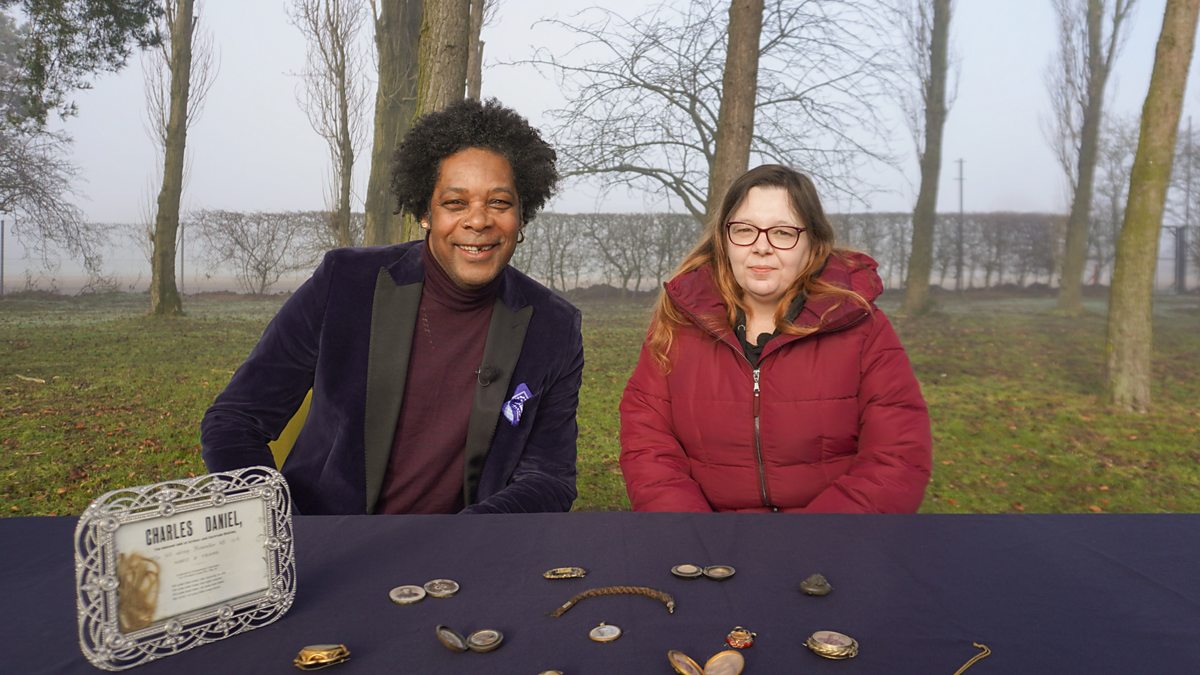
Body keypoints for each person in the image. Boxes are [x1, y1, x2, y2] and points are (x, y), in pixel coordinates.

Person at [201, 99, 583, 515]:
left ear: (521, 216)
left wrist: (468, 532)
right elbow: (235, 421)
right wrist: (277, 521)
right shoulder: (345, 283)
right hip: (328, 539)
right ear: (425, 212)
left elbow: (548, 478)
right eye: (456, 203)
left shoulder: (554, 328)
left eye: (499, 203)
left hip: (464, 547)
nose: (478, 221)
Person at [619, 164, 931, 513]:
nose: (761, 247)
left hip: (831, 539)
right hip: (708, 539)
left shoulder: (863, 328)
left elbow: (897, 458)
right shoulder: (678, 323)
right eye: (744, 230)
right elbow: (648, 446)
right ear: (724, 239)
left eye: (782, 232)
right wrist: (694, 532)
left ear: (812, 242)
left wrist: (813, 539)